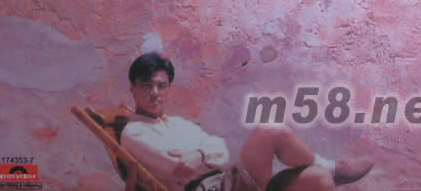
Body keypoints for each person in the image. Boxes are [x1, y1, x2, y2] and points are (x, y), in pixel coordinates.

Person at [121, 52, 373, 191]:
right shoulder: (134, 133)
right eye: (146, 86)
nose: (155, 93)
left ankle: (329, 170)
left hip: (227, 181)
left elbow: (221, 149)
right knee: (269, 130)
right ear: (132, 89)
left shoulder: (178, 124)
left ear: (168, 88)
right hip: (214, 189)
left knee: (320, 180)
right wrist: (205, 153)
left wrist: (199, 154)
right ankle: (334, 168)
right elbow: (179, 167)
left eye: (161, 86)